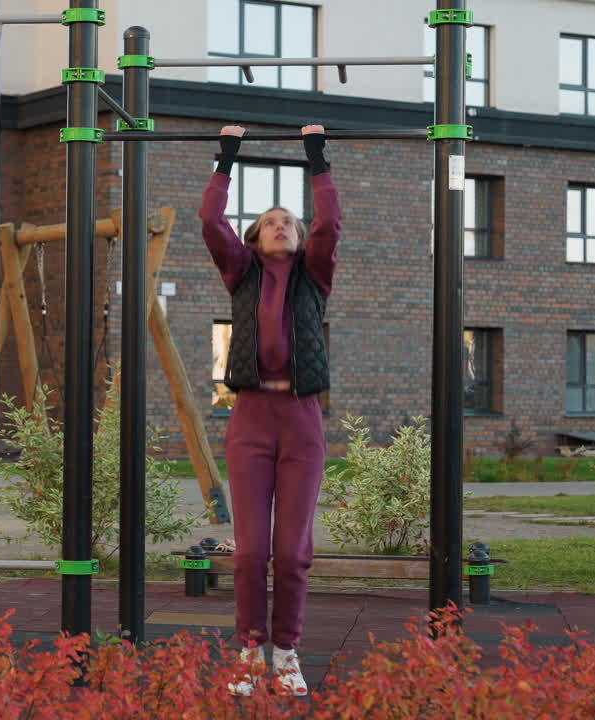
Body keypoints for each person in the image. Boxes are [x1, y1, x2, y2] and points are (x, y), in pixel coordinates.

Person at [199, 124, 341, 697]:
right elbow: (211, 221)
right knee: (251, 550)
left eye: (291, 222)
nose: (283, 225)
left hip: (302, 421)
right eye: (272, 221)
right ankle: (249, 651)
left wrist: (317, 157)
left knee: (292, 552)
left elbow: (329, 223)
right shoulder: (242, 271)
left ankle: (286, 653)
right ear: (256, 238)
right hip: (251, 422)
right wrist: (225, 157)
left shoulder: (315, 274)